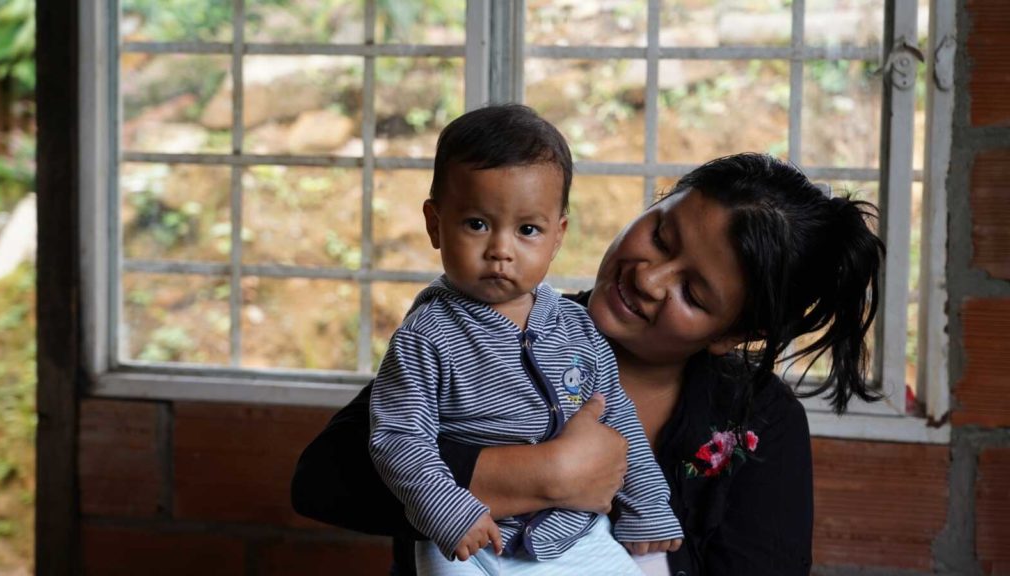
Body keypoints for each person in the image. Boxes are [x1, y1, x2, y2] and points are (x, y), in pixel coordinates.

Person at [292, 152, 886, 576]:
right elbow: (325, 480)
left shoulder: (759, 420)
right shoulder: (484, 325)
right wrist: (548, 474)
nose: (648, 277)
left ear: (734, 335)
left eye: (694, 295)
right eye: (661, 234)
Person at [367, 103, 683, 575]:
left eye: (527, 230)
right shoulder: (425, 338)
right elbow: (396, 439)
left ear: (557, 237)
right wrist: (449, 511)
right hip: (471, 537)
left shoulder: (576, 327)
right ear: (435, 224)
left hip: (573, 533)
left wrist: (648, 504)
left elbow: (618, 421)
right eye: (476, 223)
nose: (500, 249)